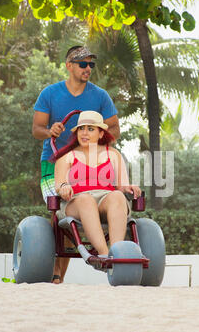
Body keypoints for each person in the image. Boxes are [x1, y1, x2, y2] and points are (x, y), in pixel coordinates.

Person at [32, 45, 120, 283]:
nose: (88, 68)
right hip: (54, 164)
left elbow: (115, 129)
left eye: (91, 64)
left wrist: (95, 135)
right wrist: (50, 129)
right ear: (69, 65)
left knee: (89, 206)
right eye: (83, 64)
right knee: (59, 212)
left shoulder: (100, 96)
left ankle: (114, 255)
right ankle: (56, 272)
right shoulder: (50, 94)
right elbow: (36, 129)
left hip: (90, 164)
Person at [54, 111, 141, 265]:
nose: (84, 133)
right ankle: (104, 255)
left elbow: (122, 186)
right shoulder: (67, 156)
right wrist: (64, 187)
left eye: (90, 129)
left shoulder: (113, 154)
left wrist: (129, 188)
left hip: (105, 200)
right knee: (86, 200)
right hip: (75, 202)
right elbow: (59, 184)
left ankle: (117, 252)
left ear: (101, 134)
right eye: (81, 129)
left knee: (117, 196)